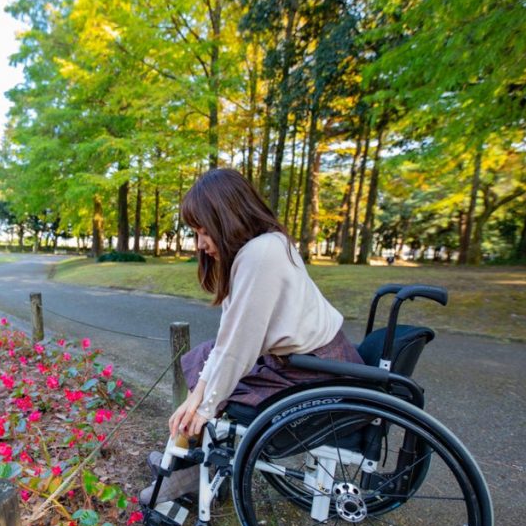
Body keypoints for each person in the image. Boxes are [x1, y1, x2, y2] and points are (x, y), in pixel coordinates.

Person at [141, 168, 363, 505]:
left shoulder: (261, 254)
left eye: (204, 232)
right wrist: (195, 398)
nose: (200, 245)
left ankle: (195, 472)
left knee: (225, 390)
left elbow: (239, 347)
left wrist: (208, 407)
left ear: (227, 218)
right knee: (206, 355)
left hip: (315, 371)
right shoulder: (259, 249)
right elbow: (228, 337)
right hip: (307, 362)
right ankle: (189, 461)